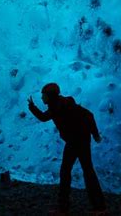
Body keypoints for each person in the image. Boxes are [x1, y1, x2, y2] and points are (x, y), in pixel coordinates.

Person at [27, 83, 106, 213]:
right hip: (81, 140)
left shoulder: (57, 107)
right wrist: (95, 134)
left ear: (50, 96)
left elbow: (43, 117)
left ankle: (63, 207)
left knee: (66, 171)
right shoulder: (65, 103)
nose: (42, 98)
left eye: (44, 95)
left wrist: (32, 107)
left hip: (75, 141)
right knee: (87, 171)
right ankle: (99, 207)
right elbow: (89, 115)